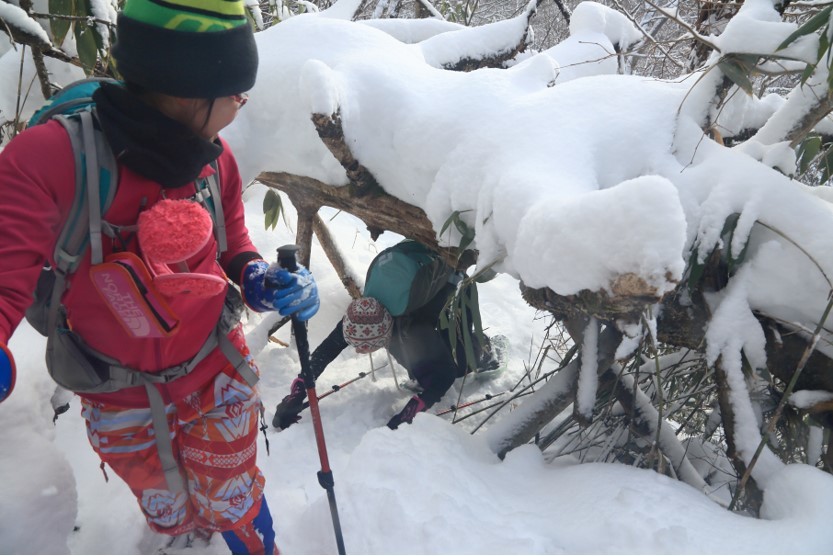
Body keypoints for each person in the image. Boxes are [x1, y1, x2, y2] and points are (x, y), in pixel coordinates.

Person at [0, 1, 319, 553]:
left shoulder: (214, 162)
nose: (241, 106)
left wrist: (260, 278)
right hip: (116, 394)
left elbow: (232, 248)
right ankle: (183, 539)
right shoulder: (50, 159)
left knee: (234, 497)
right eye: (235, 93)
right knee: (166, 503)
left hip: (214, 373)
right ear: (190, 92)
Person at [273, 240, 503, 431]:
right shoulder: (359, 318)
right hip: (415, 280)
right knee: (417, 360)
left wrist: (409, 412)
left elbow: (445, 378)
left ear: (381, 336)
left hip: (443, 295)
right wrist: (297, 392)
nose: (358, 350)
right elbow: (325, 352)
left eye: (364, 347)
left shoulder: (415, 331)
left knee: (456, 365)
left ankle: (483, 351)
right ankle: (424, 371)